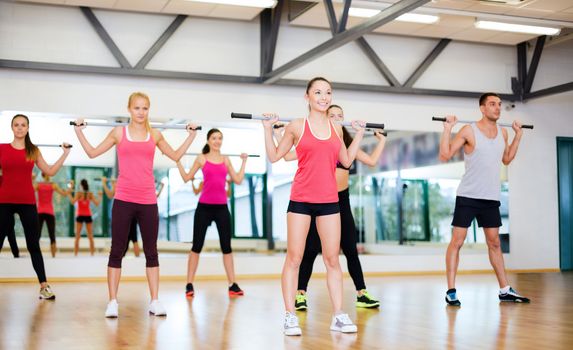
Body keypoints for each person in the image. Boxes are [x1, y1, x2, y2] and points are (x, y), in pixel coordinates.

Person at [73, 92, 198, 318]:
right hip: (123, 199)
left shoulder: (155, 134)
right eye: (137, 108)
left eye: (145, 108)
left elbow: (176, 155)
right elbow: (92, 153)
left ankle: (155, 301)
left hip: (148, 201)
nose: (141, 112)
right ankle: (112, 301)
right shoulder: (119, 133)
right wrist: (79, 131)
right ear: (129, 109)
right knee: (116, 251)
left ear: (149, 110)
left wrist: (190, 136)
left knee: (152, 252)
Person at [263, 77, 365, 336]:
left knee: (332, 259)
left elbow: (345, 161)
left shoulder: (336, 128)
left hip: (330, 202)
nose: (324, 97)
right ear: (307, 97)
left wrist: (361, 134)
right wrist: (267, 129)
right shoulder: (298, 126)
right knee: (294, 257)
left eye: (328, 92)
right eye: (318, 92)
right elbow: (277, 156)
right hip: (301, 201)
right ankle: (289, 316)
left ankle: (339, 315)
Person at [274, 104, 386, 310]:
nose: (335, 118)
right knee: (310, 249)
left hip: (340, 201)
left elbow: (370, 160)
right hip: (316, 200)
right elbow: (287, 155)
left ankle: (362, 293)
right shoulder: (317, 141)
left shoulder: (346, 143)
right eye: (331, 115)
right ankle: (300, 294)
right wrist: (278, 134)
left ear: (344, 120)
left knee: (350, 249)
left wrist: (382, 141)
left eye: (339, 116)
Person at [439, 92, 530, 306]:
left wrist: (518, 135)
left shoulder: (503, 133)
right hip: (468, 195)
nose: (497, 107)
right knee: (458, 242)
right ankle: (451, 290)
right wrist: (447, 129)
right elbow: (445, 154)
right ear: (482, 108)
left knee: (495, 243)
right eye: (492, 104)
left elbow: (506, 159)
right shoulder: (469, 130)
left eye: (499, 104)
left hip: (490, 197)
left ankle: (505, 290)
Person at [0, 114, 70, 299]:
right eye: (16, 125)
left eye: (23, 125)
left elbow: (50, 171)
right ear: (12, 128)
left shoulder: (33, 151)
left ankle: (44, 286)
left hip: (27, 202)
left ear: (28, 128)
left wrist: (65, 153)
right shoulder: (2, 149)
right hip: (4, 202)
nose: (20, 128)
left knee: (34, 245)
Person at [176, 128, 247, 298]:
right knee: (196, 247)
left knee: (227, 248)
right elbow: (186, 177)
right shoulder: (201, 158)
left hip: (222, 208)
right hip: (204, 208)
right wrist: (178, 161)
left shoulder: (226, 160)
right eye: (214, 138)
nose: (217, 141)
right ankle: (189, 284)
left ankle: (232, 284)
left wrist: (244, 162)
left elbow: (238, 180)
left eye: (220, 138)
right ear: (208, 140)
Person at [101, 176, 164, 257]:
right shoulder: (126, 185)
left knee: (131, 239)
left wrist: (105, 184)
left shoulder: (134, 187)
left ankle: (131, 258)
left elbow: (111, 195)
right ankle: (125, 258)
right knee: (128, 240)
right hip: (127, 215)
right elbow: (112, 195)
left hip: (130, 215)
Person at [34, 172, 72, 257]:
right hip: (42, 212)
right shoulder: (44, 185)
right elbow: (64, 194)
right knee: (38, 235)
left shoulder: (48, 185)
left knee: (51, 235)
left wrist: (70, 187)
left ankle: (53, 256)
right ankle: (36, 255)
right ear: (45, 175)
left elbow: (64, 194)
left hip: (47, 212)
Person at [67, 179, 101, 256]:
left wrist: (100, 195)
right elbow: (97, 203)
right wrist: (69, 193)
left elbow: (96, 203)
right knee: (78, 236)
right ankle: (76, 254)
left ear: (81, 185)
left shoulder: (88, 194)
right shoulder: (80, 193)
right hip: (81, 215)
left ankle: (91, 255)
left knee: (89, 236)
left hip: (86, 215)